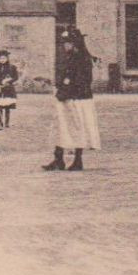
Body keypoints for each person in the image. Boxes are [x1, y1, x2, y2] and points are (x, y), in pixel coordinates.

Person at [46, 27, 100, 171]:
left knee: (77, 128)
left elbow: (81, 81)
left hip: (77, 100)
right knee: (60, 127)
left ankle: (77, 160)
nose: (65, 45)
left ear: (75, 43)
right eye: (64, 42)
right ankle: (58, 159)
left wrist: (66, 89)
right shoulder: (70, 57)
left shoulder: (82, 59)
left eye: (68, 42)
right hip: (67, 98)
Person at [0, 50, 20, 127]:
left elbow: (16, 77)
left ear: (7, 58)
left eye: (4, 58)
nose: (2, 60)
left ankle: (7, 122)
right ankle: (0, 121)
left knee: (7, 106)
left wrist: (9, 80)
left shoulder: (12, 67)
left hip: (8, 89)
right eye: (1, 58)